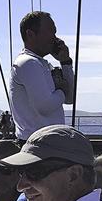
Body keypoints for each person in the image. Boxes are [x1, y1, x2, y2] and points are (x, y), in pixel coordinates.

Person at [9, 11, 74, 142]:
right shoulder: (28, 63)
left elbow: (70, 98)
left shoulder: (39, 64)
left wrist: (65, 62)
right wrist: (61, 89)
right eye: (51, 31)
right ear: (30, 34)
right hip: (39, 145)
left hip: (47, 143)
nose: (55, 38)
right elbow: (44, 106)